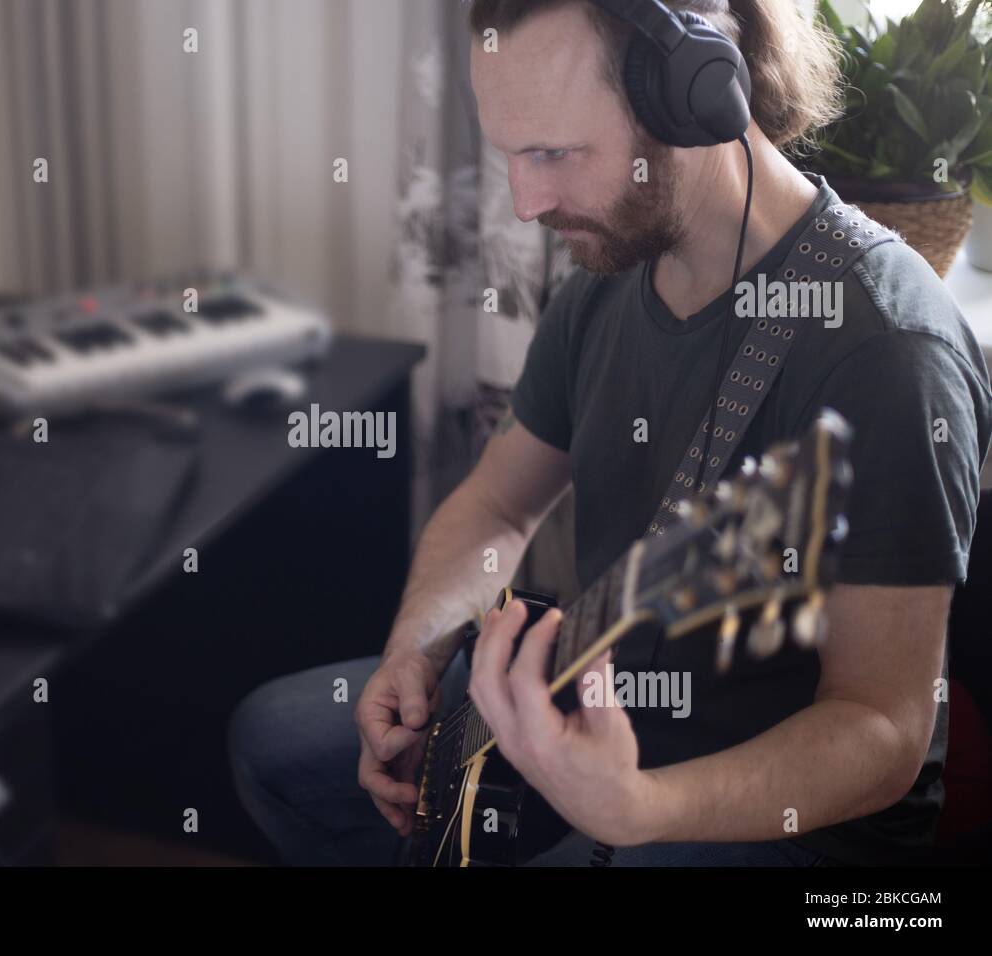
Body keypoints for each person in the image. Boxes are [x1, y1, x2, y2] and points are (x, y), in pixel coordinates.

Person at [228, 0, 992, 866]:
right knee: (277, 749)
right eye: (510, 156)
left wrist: (638, 806)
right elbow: (494, 507)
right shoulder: (612, 269)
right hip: (607, 701)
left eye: (553, 153)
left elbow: (883, 728)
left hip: (793, 826)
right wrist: (416, 648)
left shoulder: (885, 348)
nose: (526, 203)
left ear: (698, 95)